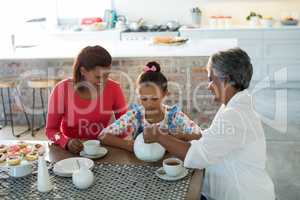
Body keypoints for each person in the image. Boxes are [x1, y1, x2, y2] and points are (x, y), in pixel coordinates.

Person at [143, 48, 275, 200]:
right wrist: (184, 136)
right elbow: (216, 137)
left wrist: (159, 137)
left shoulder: (234, 115)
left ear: (226, 80)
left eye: (211, 79)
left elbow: (198, 157)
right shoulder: (233, 106)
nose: (208, 86)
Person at [98, 61, 201, 151]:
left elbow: (199, 134)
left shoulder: (175, 116)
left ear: (165, 94)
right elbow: (103, 136)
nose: (149, 104)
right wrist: (129, 145)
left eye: (154, 99)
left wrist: (181, 136)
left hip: (167, 163)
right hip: (140, 164)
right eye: (144, 99)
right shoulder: (134, 115)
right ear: (138, 96)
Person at [46, 45, 129, 154]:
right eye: (97, 77)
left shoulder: (114, 88)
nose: (103, 81)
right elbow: (51, 131)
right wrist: (66, 142)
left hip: (103, 150)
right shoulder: (61, 90)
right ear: (83, 71)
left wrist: (117, 139)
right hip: (70, 152)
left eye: (106, 75)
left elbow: (125, 125)